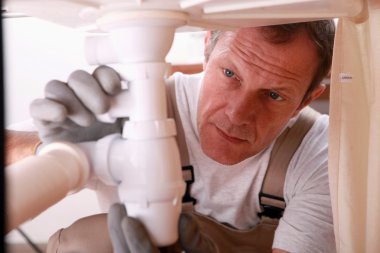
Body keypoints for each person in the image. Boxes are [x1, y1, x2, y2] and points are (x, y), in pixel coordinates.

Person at [7, 20, 336, 252]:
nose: (237, 114)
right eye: (230, 74)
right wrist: (47, 148)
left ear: (305, 100)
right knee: (89, 243)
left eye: (274, 95)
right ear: (208, 49)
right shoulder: (137, 105)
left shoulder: (320, 153)